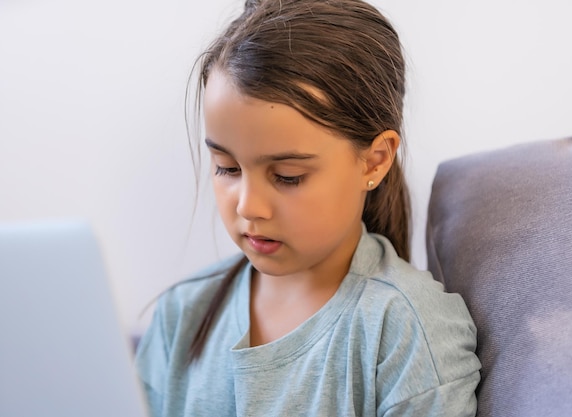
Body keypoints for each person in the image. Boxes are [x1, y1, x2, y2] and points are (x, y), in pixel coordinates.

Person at [135, 0, 481, 415]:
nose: (249, 206)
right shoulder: (180, 315)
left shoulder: (406, 330)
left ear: (374, 160)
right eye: (227, 168)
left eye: (287, 176)